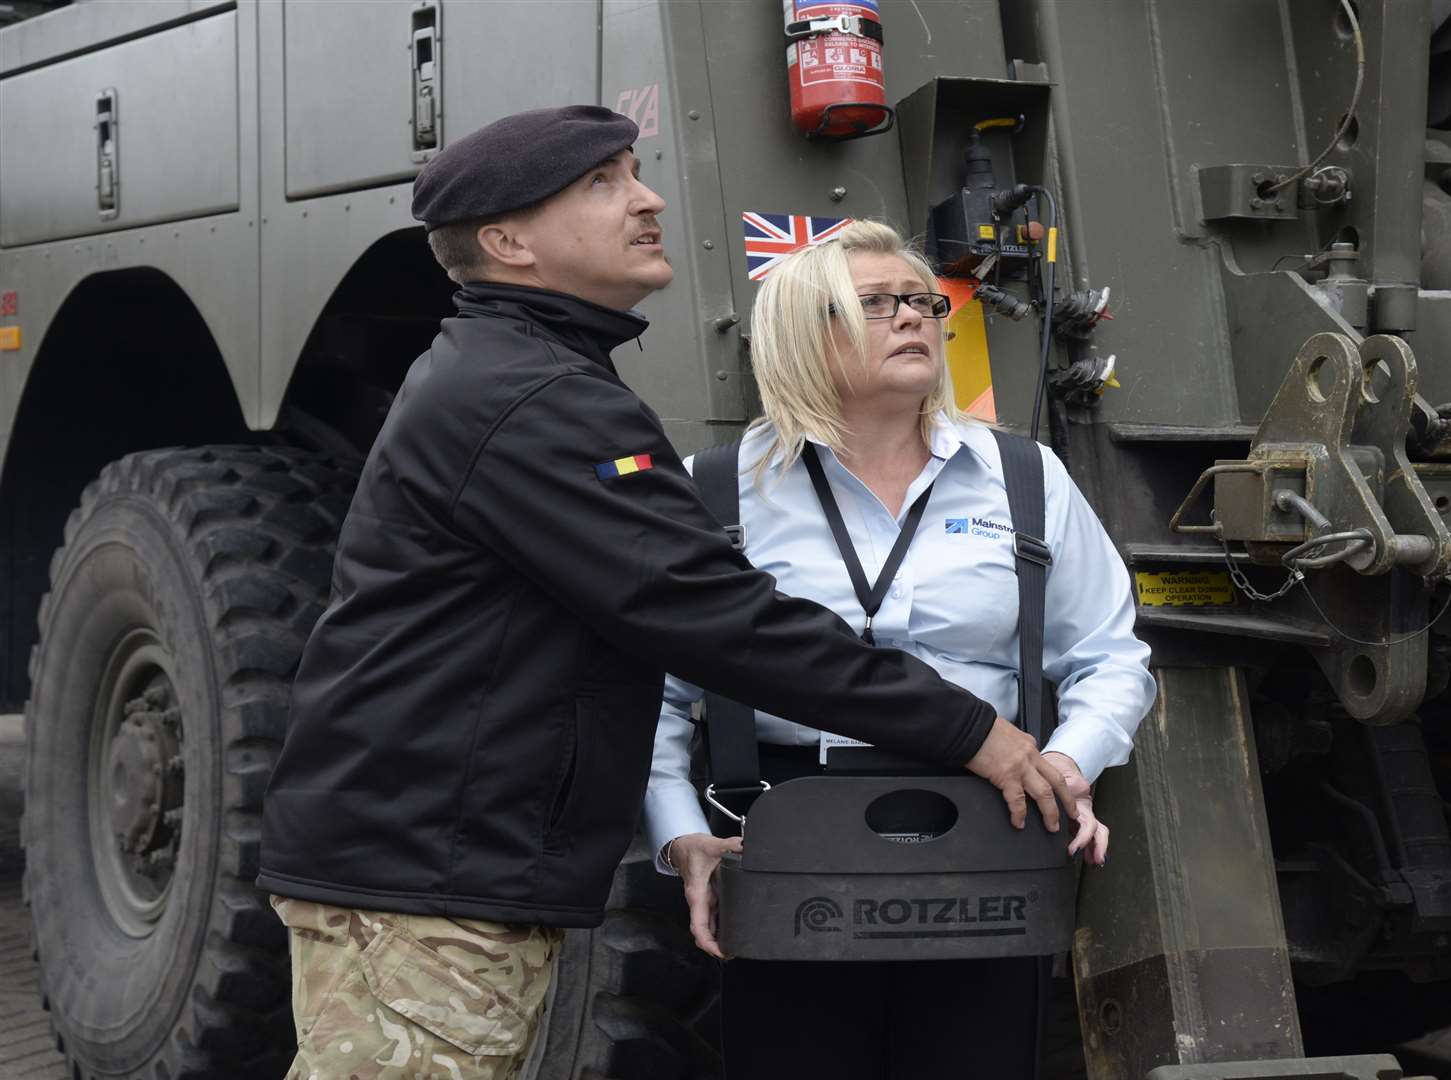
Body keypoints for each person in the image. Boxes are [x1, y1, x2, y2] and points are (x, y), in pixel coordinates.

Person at [256, 108, 1074, 1080]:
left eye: (635, 172)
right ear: (509, 241)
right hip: (424, 872)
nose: (646, 198)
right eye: (601, 185)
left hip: (438, 859)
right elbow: (717, 615)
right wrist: (970, 730)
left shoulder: (533, 378)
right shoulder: (532, 401)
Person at [646, 219, 1156, 1080]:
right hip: (779, 834)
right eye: (875, 305)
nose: (915, 318)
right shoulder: (717, 489)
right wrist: (681, 835)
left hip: (991, 828)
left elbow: (1110, 656)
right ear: (803, 334)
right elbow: (655, 693)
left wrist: (1066, 764)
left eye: (922, 302)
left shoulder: (1025, 478)